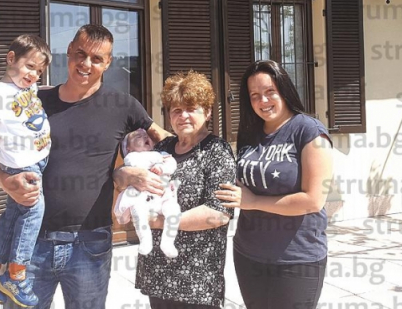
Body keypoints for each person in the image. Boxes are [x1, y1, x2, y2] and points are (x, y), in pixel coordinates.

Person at [0, 24, 169, 309]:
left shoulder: (122, 105)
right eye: (80, 54)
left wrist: (127, 172)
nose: (86, 64)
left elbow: (168, 142)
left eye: (97, 59)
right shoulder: (35, 101)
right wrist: (5, 180)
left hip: (90, 242)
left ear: (108, 63)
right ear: (69, 51)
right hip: (31, 241)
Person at [215, 60, 333, 309]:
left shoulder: (309, 131)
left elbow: (313, 200)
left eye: (270, 91)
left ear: (284, 90)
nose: (263, 101)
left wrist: (254, 202)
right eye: (255, 95)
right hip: (248, 254)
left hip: (296, 259)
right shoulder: (250, 133)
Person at [132, 71, 236, 309]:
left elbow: (218, 213)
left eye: (191, 108)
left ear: (207, 112)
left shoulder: (217, 151)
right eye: (176, 110)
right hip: (157, 268)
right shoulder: (163, 147)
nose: (183, 116)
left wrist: (156, 221)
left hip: (196, 275)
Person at [0, 34, 52, 308]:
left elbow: (38, 95)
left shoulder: (27, 88)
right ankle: (16, 276)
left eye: (39, 71)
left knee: (12, 216)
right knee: (33, 211)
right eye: (30, 66)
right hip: (21, 164)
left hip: (36, 161)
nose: (34, 75)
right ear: (11, 58)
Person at [114, 128, 181, 258]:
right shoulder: (131, 157)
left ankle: (168, 242)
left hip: (163, 196)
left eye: (146, 136)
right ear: (128, 148)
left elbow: (172, 164)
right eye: (138, 137)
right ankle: (145, 240)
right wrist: (158, 159)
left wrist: (162, 167)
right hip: (142, 197)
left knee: (174, 211)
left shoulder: (161, 154)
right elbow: (136, 164)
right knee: (139, 213)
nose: (145, 137)